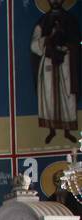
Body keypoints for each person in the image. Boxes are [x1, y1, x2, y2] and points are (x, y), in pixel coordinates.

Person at [30, 0, 80, 144]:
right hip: (48, 63)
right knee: (49, 95)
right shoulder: (43, 21)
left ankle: (68, 130)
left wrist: (67, 47)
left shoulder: (71, 20)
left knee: (67, 95)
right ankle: (51, 130)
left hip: (66, 63)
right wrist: (47, 39)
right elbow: (34, 44)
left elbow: (77, 42)